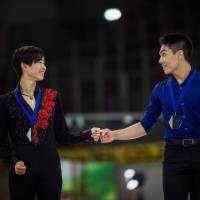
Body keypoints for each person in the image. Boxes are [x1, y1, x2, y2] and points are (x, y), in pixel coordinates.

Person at [92, 32, 200, 200]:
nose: (160, 60)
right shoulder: (160, 90)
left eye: (163, 54)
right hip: (174, 155)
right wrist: (114, 135)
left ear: (180, 55)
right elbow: (144, 125)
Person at [0, 46, 99, 200]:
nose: (44, 67)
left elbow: (63, 136)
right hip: (22, 169)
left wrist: (87, 135)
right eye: (39, 62)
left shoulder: (52, 97)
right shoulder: (5, 102)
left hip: (50, 168)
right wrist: (13, 161)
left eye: (44, 62)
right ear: (24, 66)